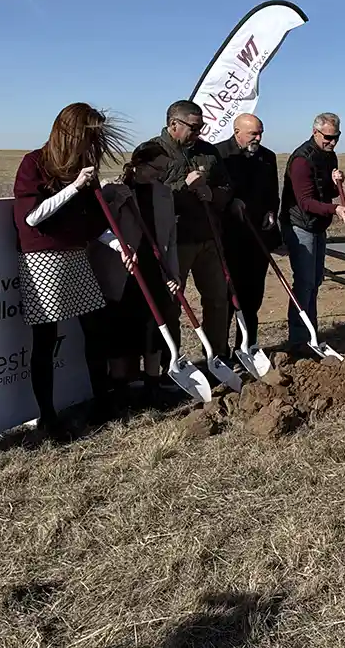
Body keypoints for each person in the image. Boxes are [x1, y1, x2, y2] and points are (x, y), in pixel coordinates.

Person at [12, 102, 131, 440]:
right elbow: (32, 217)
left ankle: (102, 401)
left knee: (95, 329)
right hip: (43, 261)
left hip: (76, 256)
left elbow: (95, 225)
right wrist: (75, 186)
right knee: (45, 339)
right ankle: (47, 417)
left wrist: (120, 246)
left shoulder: (83, 169)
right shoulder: (34, 163)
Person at [134, 100, 234, 381]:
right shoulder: (151, 151)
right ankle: (172, 364)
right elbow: (144, 194)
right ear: (173, 124)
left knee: (217, 299)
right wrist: (183, 186)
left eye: (201, 127)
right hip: (173, 241)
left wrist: (212, 194)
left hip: (208, 237)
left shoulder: (208, 152)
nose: (198, 132)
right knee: (171, 305)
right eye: (194, 127)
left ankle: (217, 357)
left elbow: (227, 186)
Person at [89, 144, 180, 410]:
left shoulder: (164, 193)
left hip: (154, 270)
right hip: (123, 273)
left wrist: (173, 272)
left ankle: (152, 387)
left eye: (164, 170)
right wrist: (117, 201)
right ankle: (120, 391)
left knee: (154, 329)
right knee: (120, 332)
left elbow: (171, 237)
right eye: (156, 168)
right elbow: (98, 227)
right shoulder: (113, 189)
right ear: (139, 164)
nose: (160, 175)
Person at [280, 112, 345, 349]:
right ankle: (299, 339)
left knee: (315, 280)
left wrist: (336, 183)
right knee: (304, 283)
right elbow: (305, 202)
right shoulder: (302, 160)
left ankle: (311, 332)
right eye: (328, 137)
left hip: (318, 225)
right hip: (300, 225)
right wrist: (335, 209)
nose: (332, 142)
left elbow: (325, 191)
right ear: (315, 132)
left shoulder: (329, 156)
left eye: (336, 137)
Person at [214, 113, 278, 360]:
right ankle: (220, 354)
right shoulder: (220, 154)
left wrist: (271, 212)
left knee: (252, 297)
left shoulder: (268, 157)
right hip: (228, 239)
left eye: (260, 133)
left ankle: (247, 348)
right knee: (227, 298)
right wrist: (230, 203)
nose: (258, 138)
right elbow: (213, 193)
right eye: (253, 133)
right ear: (237, 131)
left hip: (257, 239)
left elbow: (272, 193)